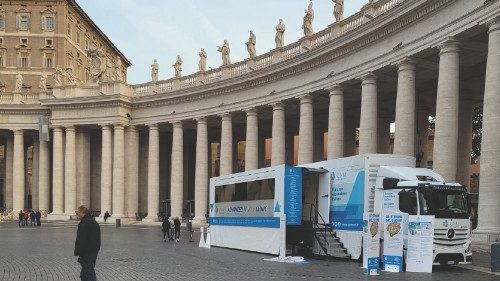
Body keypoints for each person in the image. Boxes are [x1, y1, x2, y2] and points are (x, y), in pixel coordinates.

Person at [74, 205, 101, 281]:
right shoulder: (93, 222)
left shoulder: (84, 223)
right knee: (85, 273)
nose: (77, 215)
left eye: (77, 213)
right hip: (93, 251)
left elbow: (82, 239)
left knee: (89, 272)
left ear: (83, 212)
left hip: (86, 252)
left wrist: (79, 252)